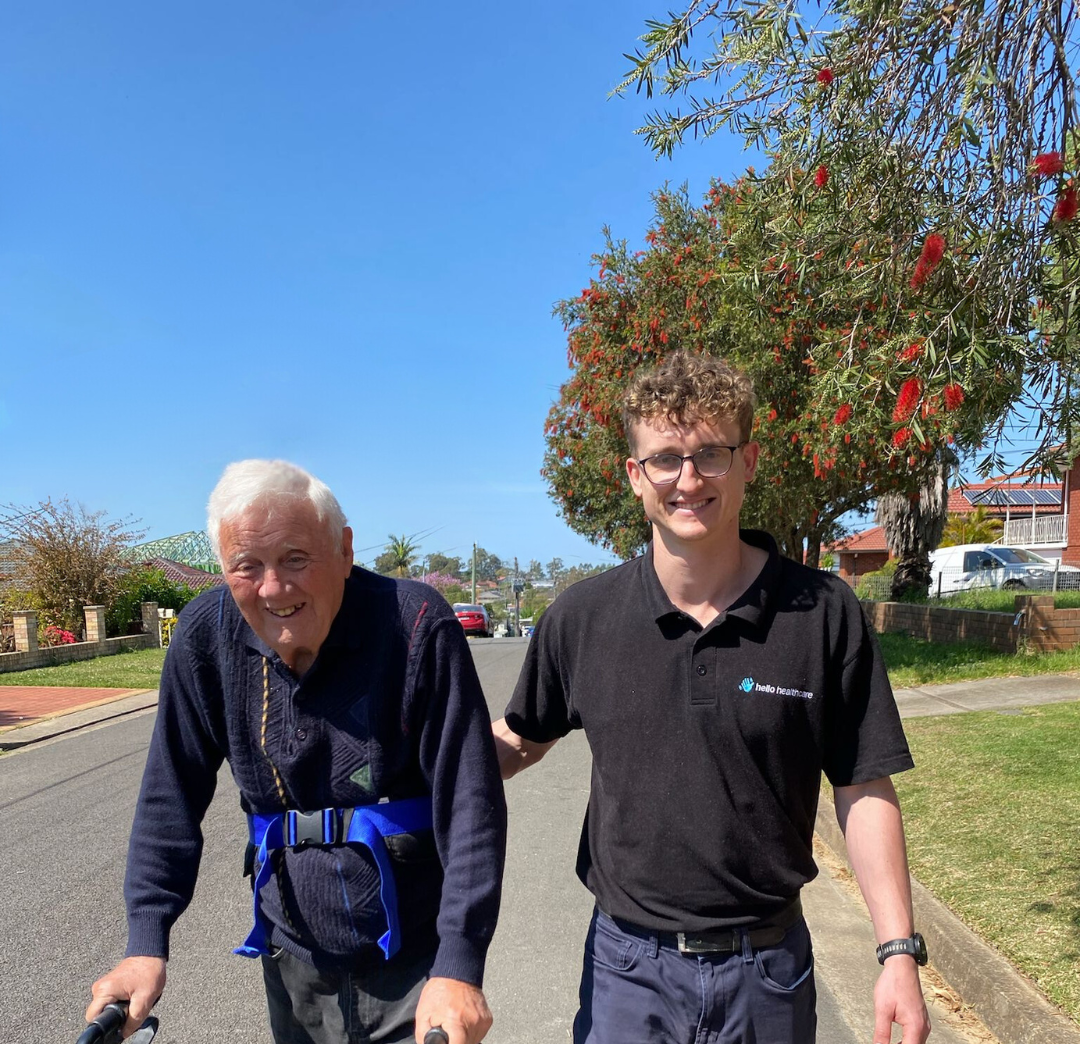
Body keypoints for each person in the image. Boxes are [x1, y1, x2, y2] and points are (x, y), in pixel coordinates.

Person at [493, 352, 931, 1044]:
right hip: (626, 974)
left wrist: (898, 952)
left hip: (768, 972)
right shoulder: (582, 618)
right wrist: (420, 750)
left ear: (749, 461)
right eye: (665, 457)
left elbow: (863, 785)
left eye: (711, 455)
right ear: (634, 475)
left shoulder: (821, 612)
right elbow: (518, 740)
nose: (688, 479)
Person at [87, 460, 506, 1044]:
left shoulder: (413, 624)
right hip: (293, 957)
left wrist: (460, 964)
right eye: (246, 567)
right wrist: (145, 943)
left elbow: (470, 803)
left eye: (295, 559)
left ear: (343, 550)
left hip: (417, 961)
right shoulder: (206, 637)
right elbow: (170, 797)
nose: (274, 588)